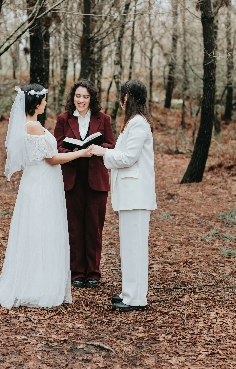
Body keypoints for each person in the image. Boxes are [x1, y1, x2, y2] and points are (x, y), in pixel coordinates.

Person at [0, 84, 93, 309]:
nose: (46, 103)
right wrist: (81, 153)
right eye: (44, 100)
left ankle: (35, 282)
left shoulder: (28, 124)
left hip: (37, 181)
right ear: (36, 103)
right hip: (41, 185)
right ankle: (38, 287)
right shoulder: (33, 126)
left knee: (36, 230)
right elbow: (52, 158)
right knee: (41, 230)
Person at [91, 79, 156, 311]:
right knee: (129, 247)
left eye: (123, 96)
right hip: (130, 195)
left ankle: (136, 299)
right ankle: (129, 293)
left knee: (135, 247)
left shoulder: (138, 123)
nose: (121, 101)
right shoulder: (133, 123)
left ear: (129, 98)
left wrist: (103, 152)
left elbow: (128, 157)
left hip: (136, 195)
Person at [54, 79, 115, 288]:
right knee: (74, 227)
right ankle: (77, 273)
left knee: (94, 227)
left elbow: (111, 144)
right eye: (78, 96)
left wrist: (97, 149)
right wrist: (73, 151)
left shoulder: (103, 119)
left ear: (92, 99)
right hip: (72, 178)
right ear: (73, 97)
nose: (81, 100)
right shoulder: (63, 119)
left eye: (86, 97)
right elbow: (56, 147)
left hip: (96, 179)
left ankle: (93, 273)